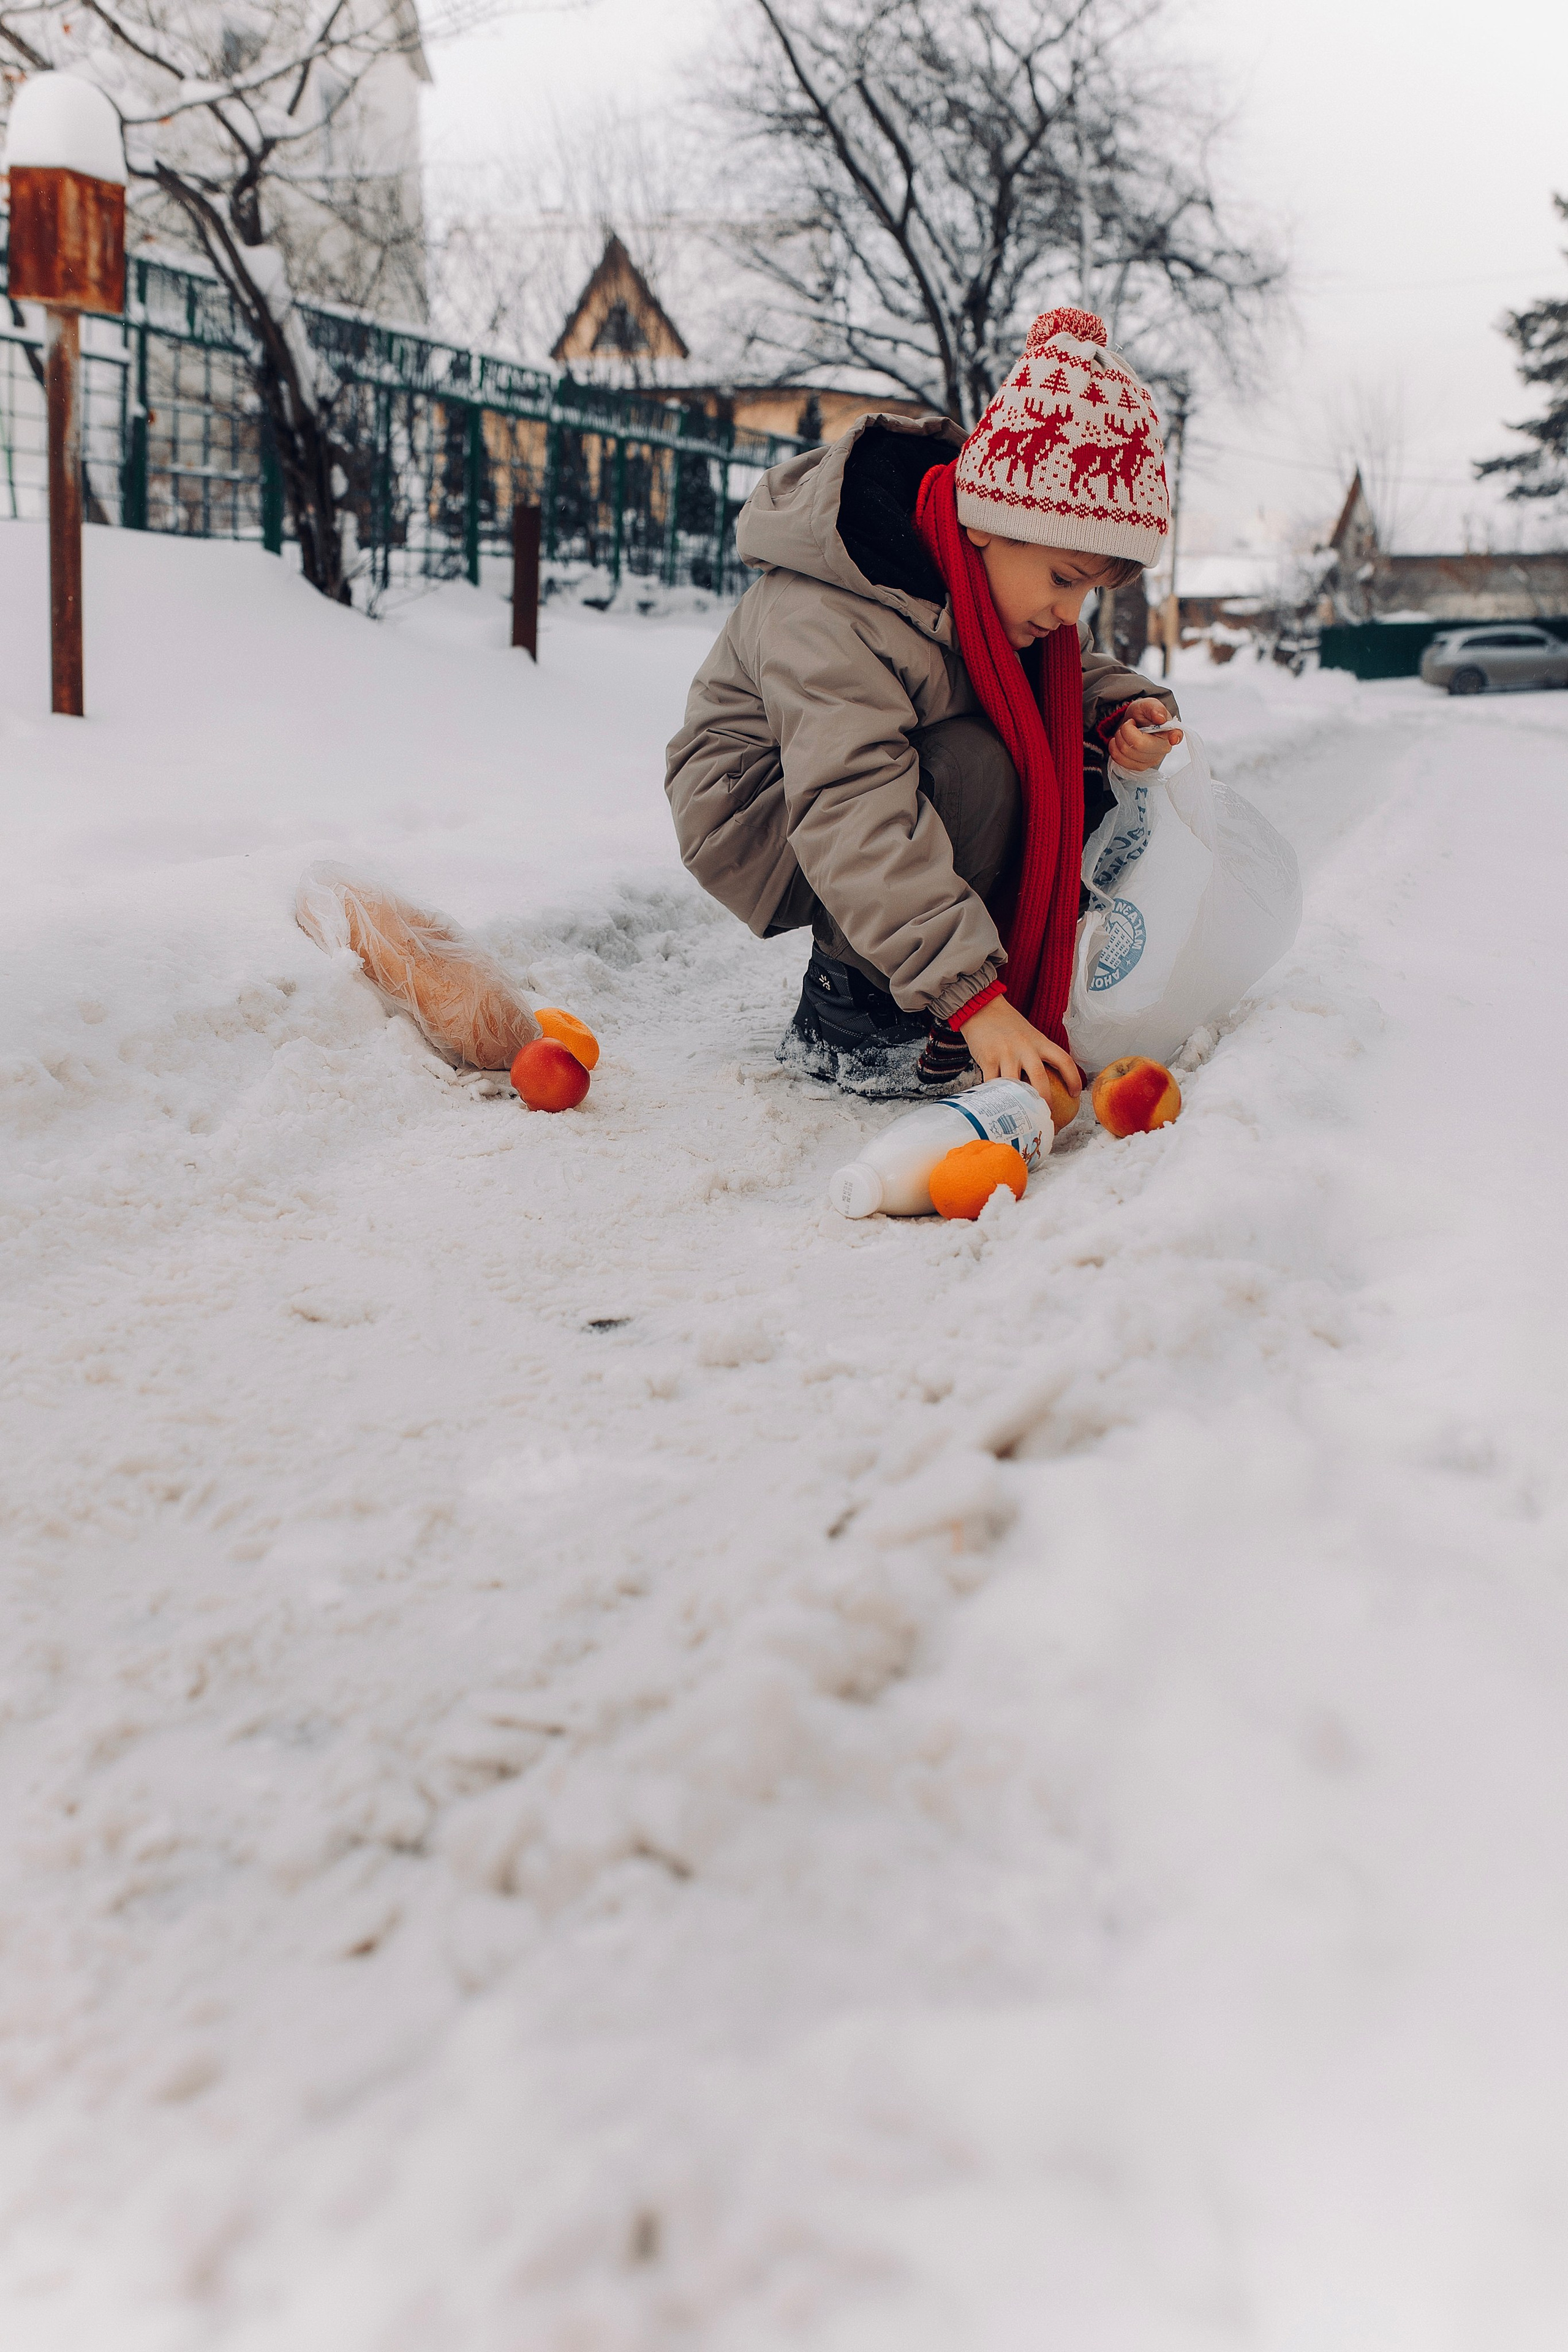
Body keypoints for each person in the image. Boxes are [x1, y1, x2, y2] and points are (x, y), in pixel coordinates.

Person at [663, 307, 1185, 1104]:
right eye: (1063, 579)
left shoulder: (977, 581)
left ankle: (1002, 966)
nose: (1068, 613)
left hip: (843, 797)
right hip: (761, 809)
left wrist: (1123, 712)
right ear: (996, 527)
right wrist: (970, 999)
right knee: (980, 760)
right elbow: (850, 801)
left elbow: (1063, 677)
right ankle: (852, 1008)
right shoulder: (833, 606)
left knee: (1063, 748)